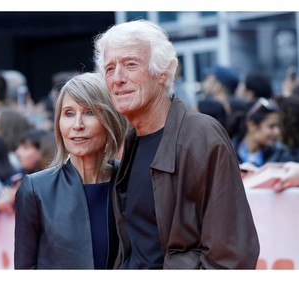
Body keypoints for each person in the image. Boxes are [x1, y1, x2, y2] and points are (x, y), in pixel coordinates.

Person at [93, 19, 259, 269]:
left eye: (130, 64)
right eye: (109, 68)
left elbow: (231, 256)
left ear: (164, 72)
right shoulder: (132, 140)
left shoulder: (201, 135)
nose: (117, 78)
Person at [14, 72, 128, 269]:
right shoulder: (35, 189)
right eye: (68, 113)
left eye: (89, 112)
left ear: (110, 120)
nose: (77, 125)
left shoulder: (129, 180)